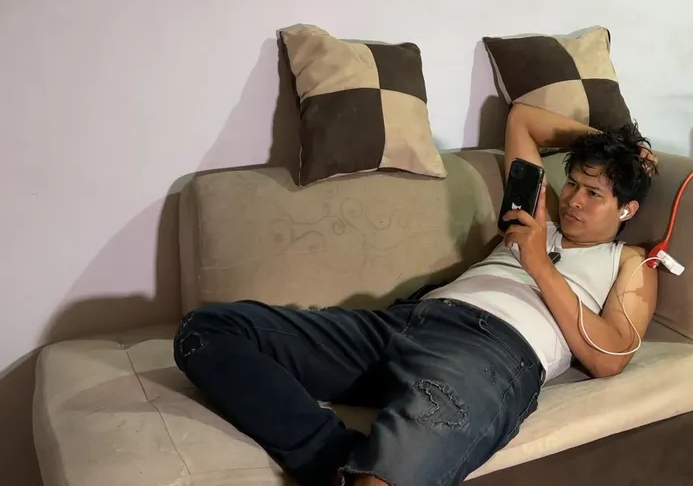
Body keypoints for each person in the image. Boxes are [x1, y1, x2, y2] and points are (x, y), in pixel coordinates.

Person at [173, 103, 660, 486]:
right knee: (208, 331)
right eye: (572, 183)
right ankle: (332, 459)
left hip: (490, 354)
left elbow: (610, 357)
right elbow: (523, 120)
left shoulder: (628, 261)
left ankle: (369, 469)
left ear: (627, 210)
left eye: (594, 194)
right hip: (407, 321)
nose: (573, 200)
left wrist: (537, 262)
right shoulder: (541, 215)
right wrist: (613, 147)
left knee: (386, 480)